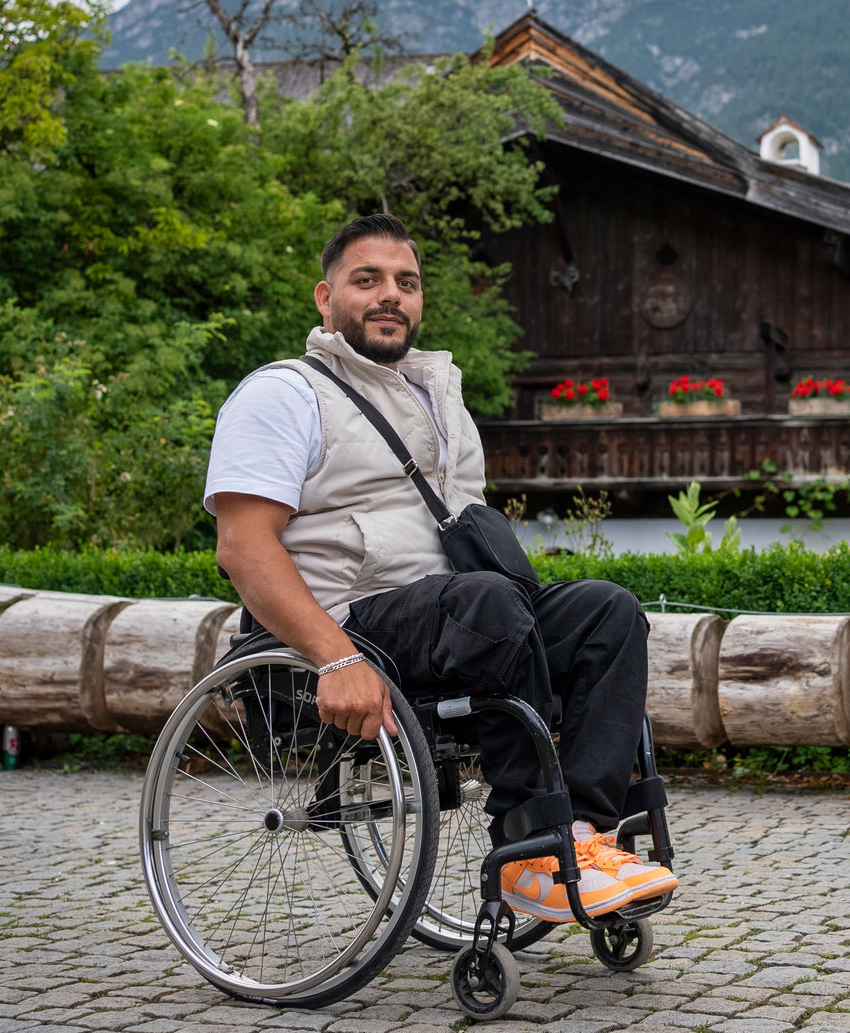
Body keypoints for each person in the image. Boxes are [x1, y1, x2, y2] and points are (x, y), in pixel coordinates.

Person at [204, 212, 675, 922]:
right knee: (485, 598)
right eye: (368, 280)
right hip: (355, 624)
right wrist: (334, 661)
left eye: (407, 282)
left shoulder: (441, 396)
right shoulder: (283, 394)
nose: (391, 294)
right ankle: (528, 845)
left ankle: (578, 836)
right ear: (326, 299)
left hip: (463, 615)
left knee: (607, 609)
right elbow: (243, 547)